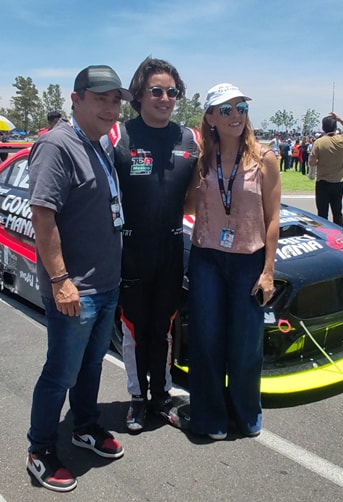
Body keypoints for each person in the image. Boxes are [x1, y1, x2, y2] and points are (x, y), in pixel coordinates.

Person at [25, 64, 131, 492]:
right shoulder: (56, 145)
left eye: (115, 101)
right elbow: (43, 215)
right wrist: (60, 280)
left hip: (105, 283)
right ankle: (40, 449)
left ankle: (85, 426)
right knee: (61, 373)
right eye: (101, 99)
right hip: (75, 289)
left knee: (91, 365)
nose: (111, 108)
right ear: (76, 99)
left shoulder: (99, 143)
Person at [187, 83, 280, 441]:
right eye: (226, 109)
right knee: (206, 340)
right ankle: (209, 417)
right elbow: (187, 205)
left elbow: (272, 218)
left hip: (248, 260)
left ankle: (245, 412)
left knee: (246, 343)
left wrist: (268, 271)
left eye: (241, 107)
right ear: (210, 117)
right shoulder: (202, 160)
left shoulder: (264, 159)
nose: (236, 115)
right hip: (206, 259)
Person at [111, 57, 199, 433]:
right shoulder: (118, 136)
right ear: (139, 95)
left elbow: (193, 200)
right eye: (157, 91)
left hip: (171, 250)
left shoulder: (189, 139)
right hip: (131, 252)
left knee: (163, 328)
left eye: (172, 92)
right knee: (135, 330)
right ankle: (136, 398)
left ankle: (161, 396)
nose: (165, 99)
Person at [309, 112, 343, 226]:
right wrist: (340, 119)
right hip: (337, 182)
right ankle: (339, 234)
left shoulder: (319, 142)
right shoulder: (341, 139)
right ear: (335, 128)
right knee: (337, 213)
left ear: (323, 128)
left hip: (322, 182)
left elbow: (312, 162)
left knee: (322, 214)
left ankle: (323, 234)